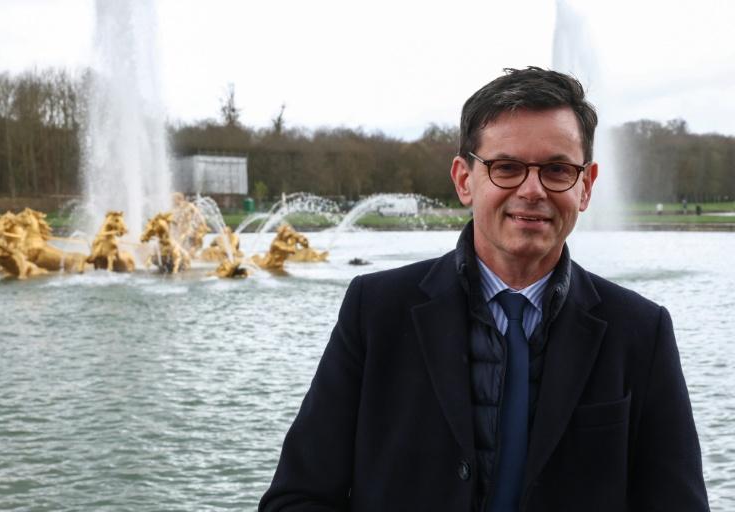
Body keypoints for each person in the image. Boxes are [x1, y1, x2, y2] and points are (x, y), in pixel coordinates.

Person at [259, 67, 709, 511]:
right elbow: (296, 499)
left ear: (586, 187)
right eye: (506, 167)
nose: (532, 190)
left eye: (557, 170)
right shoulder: (375, 311)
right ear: (464, 180)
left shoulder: (640, 331)